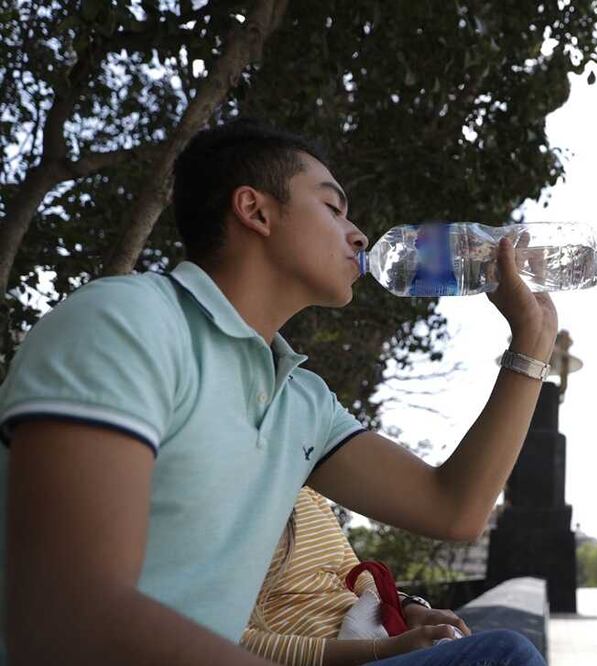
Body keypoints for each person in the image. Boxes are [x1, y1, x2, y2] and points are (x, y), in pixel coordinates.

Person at [0, 120, 556, 664]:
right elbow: (66, 614)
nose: (358, 234)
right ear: (255, 210)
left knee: (499, 654)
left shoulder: (300, 401)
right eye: (333, 208)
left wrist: (530, 348)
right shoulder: (127, 322)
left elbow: (453, 508)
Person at [241, 486, 489, 664]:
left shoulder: (305, 490)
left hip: (382, 640)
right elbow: (234, 639)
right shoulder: (216, 503)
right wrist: (380, 650)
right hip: (341, 654)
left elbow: (351, 573)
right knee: (509, 651)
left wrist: (410, 607)